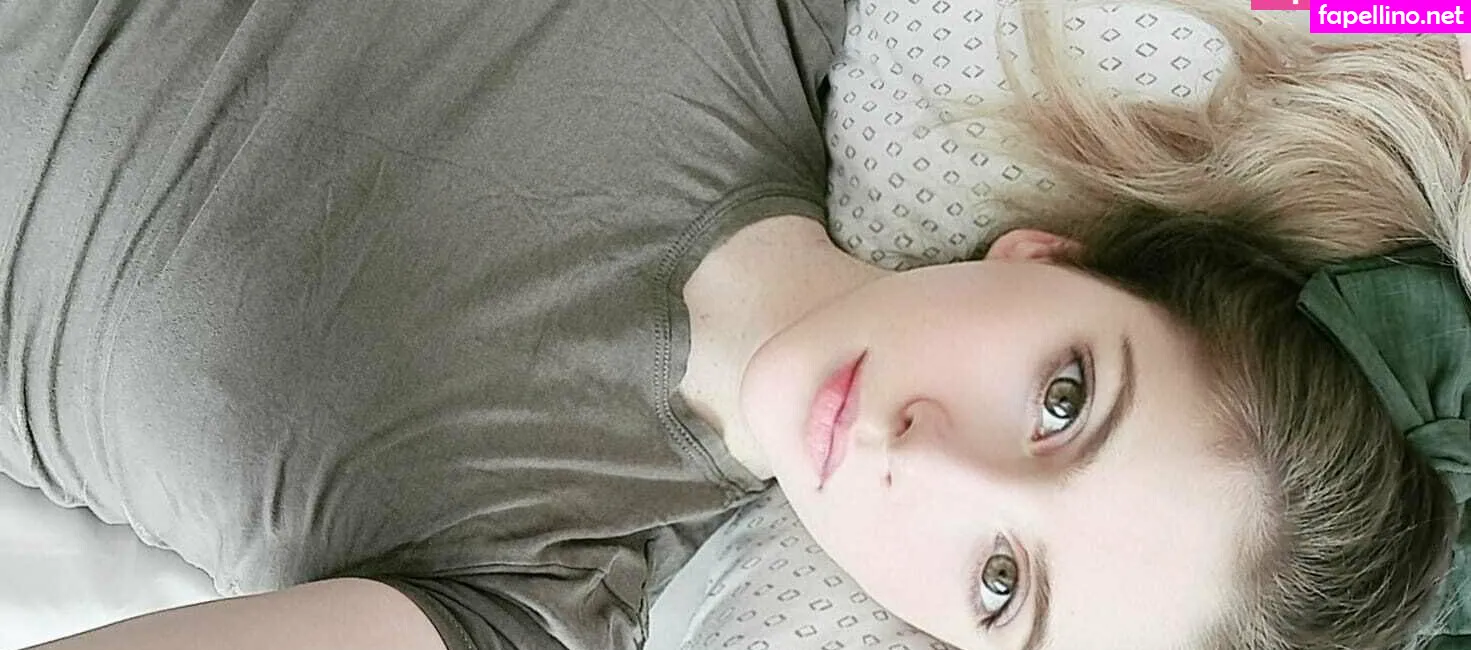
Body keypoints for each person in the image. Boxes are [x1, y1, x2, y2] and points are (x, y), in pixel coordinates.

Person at [0, 3, 1463, 650]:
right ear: (1051, 256)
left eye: (1000, 582)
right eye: (1065, 399)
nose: (920, 458)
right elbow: (1398, 6)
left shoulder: (524, 594)